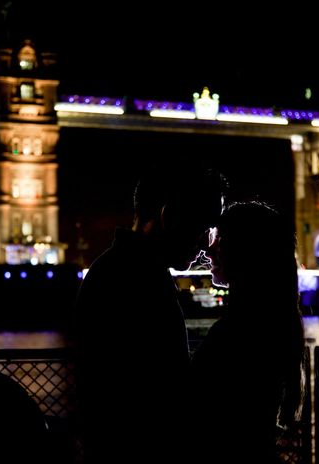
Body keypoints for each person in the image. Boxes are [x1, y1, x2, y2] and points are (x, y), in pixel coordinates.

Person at [72, 161, 226, 464]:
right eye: (204, 228)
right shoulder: (140, 280)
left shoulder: (116, 269)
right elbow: (163, 393)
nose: (205, 245)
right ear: (171, 217)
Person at [187, 200, 305, 464]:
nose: (209, 249)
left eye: (220, 238)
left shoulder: (238, 332)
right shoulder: (272, 321)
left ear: (246, 249)